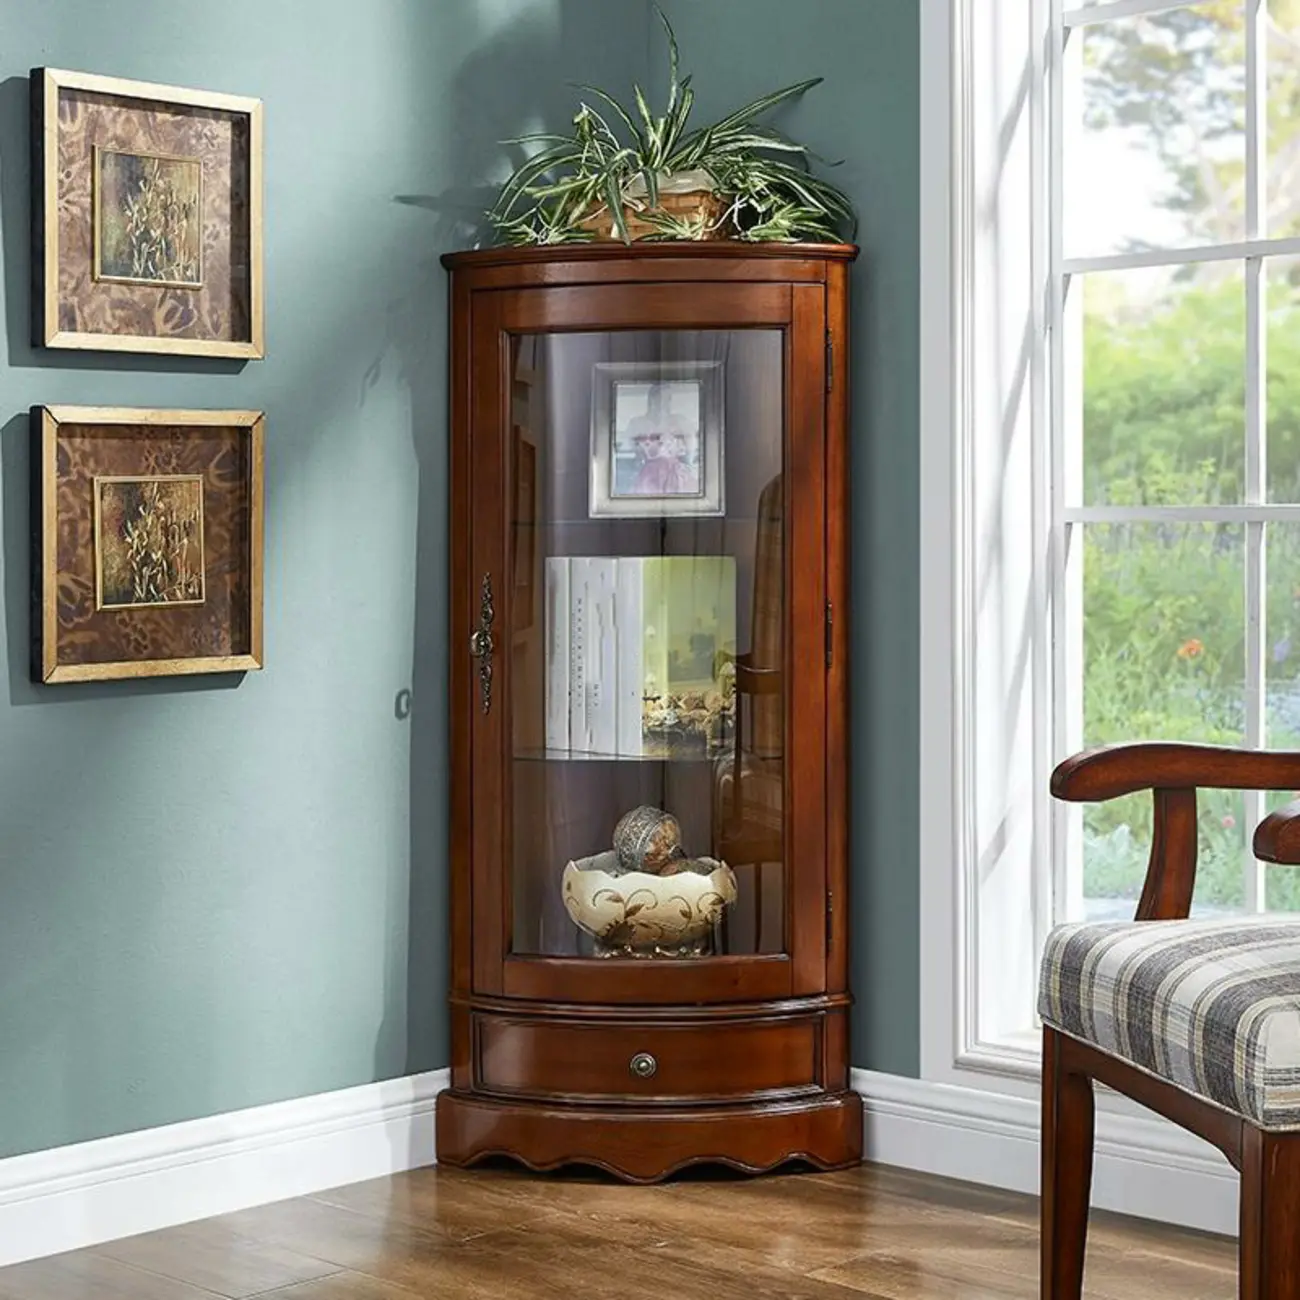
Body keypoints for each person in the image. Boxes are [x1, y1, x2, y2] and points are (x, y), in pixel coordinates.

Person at [623, 385, 699, 496]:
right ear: (651, 400)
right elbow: (630, 450)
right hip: (648, 474)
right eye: (660, 398)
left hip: (675, 473)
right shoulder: (637, 423)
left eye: (668, 399)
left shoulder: (679, 420)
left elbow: (691, 446)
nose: (664, 403)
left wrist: (688, 463)